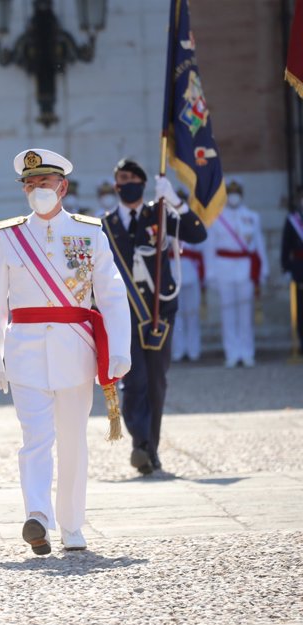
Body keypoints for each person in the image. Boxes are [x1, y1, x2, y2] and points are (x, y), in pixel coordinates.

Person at [0, 148, 131, 555]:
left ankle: (72, 524)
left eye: (43, 183)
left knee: (72, 440)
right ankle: (38, 517)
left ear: (61, 187)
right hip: (25, 350)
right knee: (35, 439)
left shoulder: (89, 233)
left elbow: (112, 294)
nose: (35, 190)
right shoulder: (8, 236)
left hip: (76, 350)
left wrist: (119, 347)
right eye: (29, 185)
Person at [100, 159, 207, 475]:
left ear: (143, 184)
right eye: (122, 177)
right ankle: (140, 444)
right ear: (116, 184)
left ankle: (150, 447)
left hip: (160, 311)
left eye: (133, 177)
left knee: (157, 382)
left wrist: (175, 201)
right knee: (134, 381)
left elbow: (197, 234)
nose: (127, 181)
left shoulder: (159, 215)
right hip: (123, 314)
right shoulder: (103, 225)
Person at [205, 178, 267, 368]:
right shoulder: (216, 218)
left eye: (236, 192)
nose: (233, 196)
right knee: (228, 312)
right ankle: (231, 352)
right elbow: (210, 248)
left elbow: (259, 244)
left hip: (245, 268)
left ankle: (247, 352)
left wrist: (263, 270)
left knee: (245, 313)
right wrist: (210, 274)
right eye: (230, 193)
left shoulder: (252, 216)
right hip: (224, 268)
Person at [171, 189, 206, 363]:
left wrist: (204, 276)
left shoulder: (193, 222)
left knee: (192, 313)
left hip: (191, 271)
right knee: (175, 314)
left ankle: (194, 349)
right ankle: (178, 349)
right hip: (172, 270)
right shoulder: (166, 221)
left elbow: (201, 251)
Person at [282, 184, 303, 350]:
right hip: (299, 269)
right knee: (300, 309)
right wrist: (287, 268)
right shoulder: (292, 220)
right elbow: (286, 246)